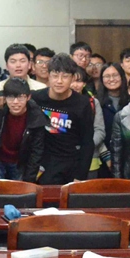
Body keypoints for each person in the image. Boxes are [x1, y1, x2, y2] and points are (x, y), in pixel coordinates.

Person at [31, 55, 95, 185]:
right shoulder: (37, 98)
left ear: (72, 78)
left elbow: (87, 141)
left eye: (65, 76)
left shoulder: (82, 103)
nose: (59, 81)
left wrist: (80, 176)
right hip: (44, 164)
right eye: (55, 76)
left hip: (71, 163)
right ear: (48, 76)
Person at [0, 77, 45, 181]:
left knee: (18, 190)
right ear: (4, 98)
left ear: (28, 97)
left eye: (21, 98)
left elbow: (36, 152)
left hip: (20, 163)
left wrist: (29, 180)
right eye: (11, 97)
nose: (15, 102)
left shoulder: (36, 117)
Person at [96, 63, 130, 150]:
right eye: (107, 76)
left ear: (122, 77)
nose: (111, 79)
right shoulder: (96, 102)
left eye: (115, 75)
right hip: (104, 152)